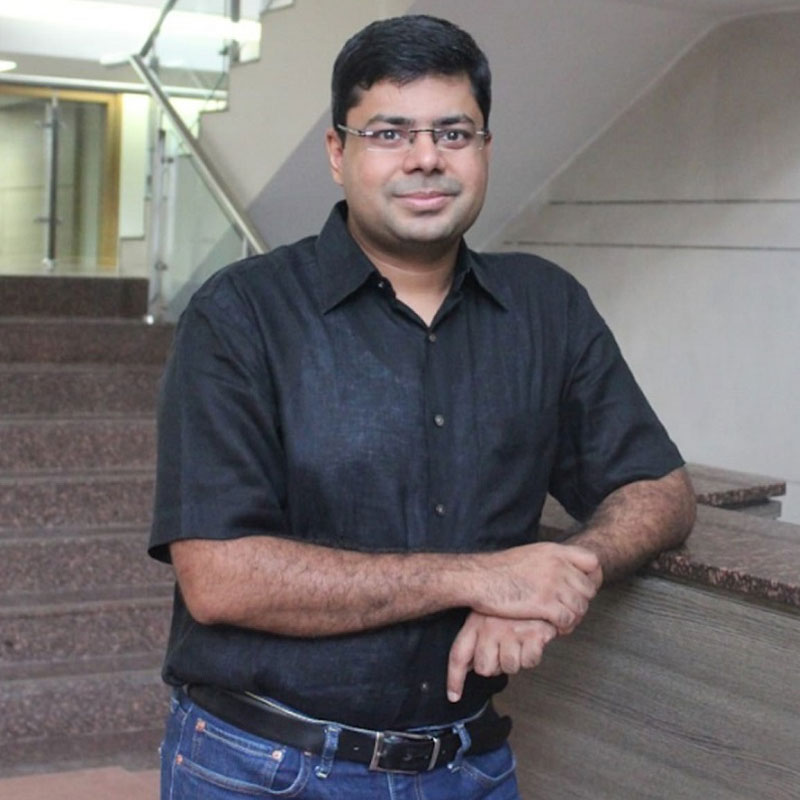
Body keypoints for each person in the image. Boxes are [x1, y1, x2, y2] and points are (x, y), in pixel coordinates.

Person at [149, 14, 696, 800]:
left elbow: (659, 489)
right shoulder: (241, 315)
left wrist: (564, 576)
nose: (426, 157)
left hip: (469, 767)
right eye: (389, 133)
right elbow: (221, 577)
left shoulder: (547, 308)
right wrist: (483, 579)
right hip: (266, 769)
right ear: (337, 152)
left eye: (454, 132)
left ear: (485, 149)